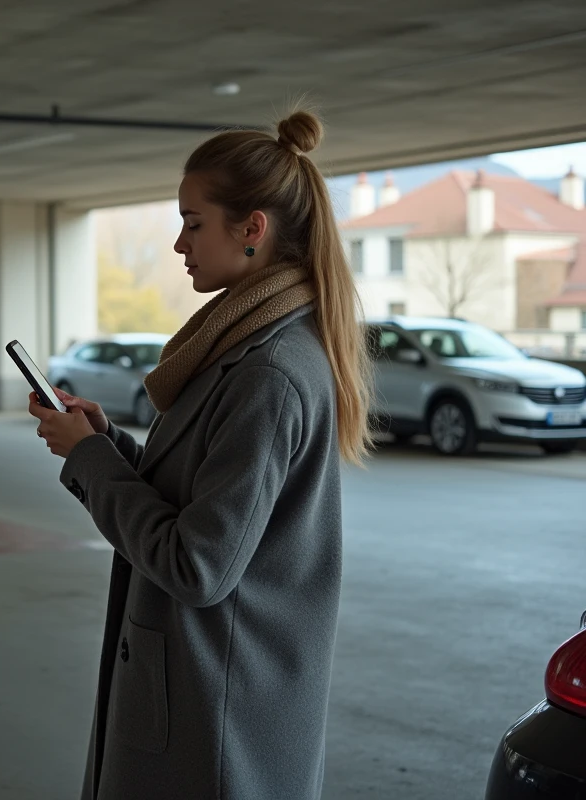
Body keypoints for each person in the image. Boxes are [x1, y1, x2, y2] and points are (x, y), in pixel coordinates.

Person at [28, 109, 371, 800]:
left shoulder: (267, 372)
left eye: (193, 221)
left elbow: (198, 563)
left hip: (218, 712)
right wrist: (106, 444)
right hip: (209, 690)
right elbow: (204, 497)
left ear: (253, 229)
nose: (179, 242)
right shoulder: (244, 345)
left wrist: (92, 462)